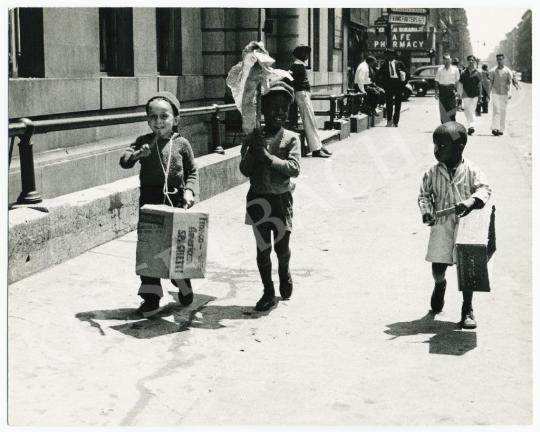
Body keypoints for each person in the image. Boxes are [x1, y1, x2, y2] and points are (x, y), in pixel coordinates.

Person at [119, 91, 199, 318]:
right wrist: (136, 155)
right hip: (150, 200)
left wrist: (190, 191)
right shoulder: (143, 142)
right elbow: (124, 160)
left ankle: (183, 283)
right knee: (150, 249)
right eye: (152, 117)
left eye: (164, 116)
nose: (158, 122)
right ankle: (151, 297)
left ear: (176, 118)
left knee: (178, 247)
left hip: (176, 200)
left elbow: (192, 171)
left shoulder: (182, 144)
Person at [418, 121, 491, 329]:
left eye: (442, 147)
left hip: (467, 227)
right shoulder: (432, 172)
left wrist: (471, 201)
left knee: (468, 269)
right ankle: (440, 285)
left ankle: (467, 308)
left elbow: (485, 189)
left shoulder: (472, 169)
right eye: (435, 146)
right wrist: (426, 213)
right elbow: (423, 196)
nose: (437, 151)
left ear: (459, 148)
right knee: (438, 264)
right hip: (442, 226)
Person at [239, 80, 300, 312]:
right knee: (262, 249)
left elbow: (294, 168)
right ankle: (268, 290)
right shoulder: (253, 137)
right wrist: (253, 152)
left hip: (280, 201)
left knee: (281, 248)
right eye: (274, 108)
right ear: (262, 111)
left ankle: (284, 271)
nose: (280, 113)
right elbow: (244, 171)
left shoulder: (291, 138)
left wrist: (267, 157)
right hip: (258, 200)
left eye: (284, 108)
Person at [289, 44, 331, 158]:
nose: (307, 55)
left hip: (304, 94)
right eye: (304, 52)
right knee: (309, 121)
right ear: (299, 54)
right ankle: (316, 149)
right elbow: (292, 82)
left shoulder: (300, 66)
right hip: (301, 94)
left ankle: (319, 146)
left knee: (312, 120)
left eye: (307, 52)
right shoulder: (296, 66)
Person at [376, 48, 408, 127]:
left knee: (398, 104)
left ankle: (395, 122)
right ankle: (389, 121)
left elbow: (407, 74)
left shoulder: (399, 63)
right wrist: (381, 86)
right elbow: (378, 75)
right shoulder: (385, 64)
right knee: (389, 103)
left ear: (394, 55)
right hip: (389, 85)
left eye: (390, 55)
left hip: (398, 85)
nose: (389, 57)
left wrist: (403, 84)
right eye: (387, 55)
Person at [489, 53, 513, 136]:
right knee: (496, 111)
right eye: (498, 59)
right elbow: (490, 83)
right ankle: (495, 128)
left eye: (501, 59)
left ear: (503, 60)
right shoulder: (492, 71)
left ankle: (501, 129)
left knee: (503, 111)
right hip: (495, 93)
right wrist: (488, 94)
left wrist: (510, 92)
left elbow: (510, 84)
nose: (499, 61)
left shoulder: (508, 71)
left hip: (504, 94)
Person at [459, 55, 483, 135]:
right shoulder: (463, 73)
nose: (471, 61)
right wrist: (459, 95)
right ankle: (470, 125)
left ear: (474, 61)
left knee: (472, 110)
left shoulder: (478, 72)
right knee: (466, 110)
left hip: (475, 94)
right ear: (467, 61)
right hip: (465, 94)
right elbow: (460, 85)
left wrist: (480, 95)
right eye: (469, 60)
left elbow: (480, 85)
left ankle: (471, 126)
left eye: (472, 60)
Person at [434, 54, 460, 123]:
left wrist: (458, 92)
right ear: (443, 61)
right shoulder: (440, 70)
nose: (447, 61)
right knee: (443, 110)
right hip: (442, 91)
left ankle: (452, 125)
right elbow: (436, 82)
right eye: (445, 60)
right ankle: (444, 126)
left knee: (452, 109)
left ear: (450, 60)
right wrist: (436, 93)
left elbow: (457, 82)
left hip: (451, 90)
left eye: (448, 59)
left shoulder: (455, 69)